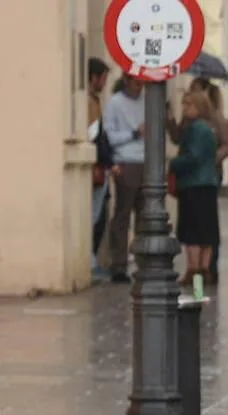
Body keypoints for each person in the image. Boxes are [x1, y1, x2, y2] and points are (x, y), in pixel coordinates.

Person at [169, 91, 222, 290]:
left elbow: (193, 157)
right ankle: (203, 271)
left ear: (198, 107)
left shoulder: (196, 129)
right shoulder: (209, 128)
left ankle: (194, 270)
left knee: (192, 232)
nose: (184, 109)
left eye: (188, 105)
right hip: (208, 184)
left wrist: (173, 164)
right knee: (207, 231)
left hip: (193, 185)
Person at [103, 74, 145, 284]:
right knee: (122, 215)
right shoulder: (115, 103)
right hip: (126, 161)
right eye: (137, 83)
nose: (140, 87)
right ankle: (118, 265)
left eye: (142, 83)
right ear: (127, 81)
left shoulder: (147, 101)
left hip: (145, 161)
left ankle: (144, 262)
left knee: (145, 216)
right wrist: (134, 134)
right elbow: (111, 136)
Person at [87, 58, 112, 278]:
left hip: (99, 165)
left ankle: (92, 260)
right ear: (94, 77)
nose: (104, 83)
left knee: (97, 215)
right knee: (94, 216)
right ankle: (90, 262)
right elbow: (95, 136)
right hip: (96, 166)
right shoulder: (90, 102)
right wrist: (105, 161)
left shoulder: (93, 100)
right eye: (103, 78)